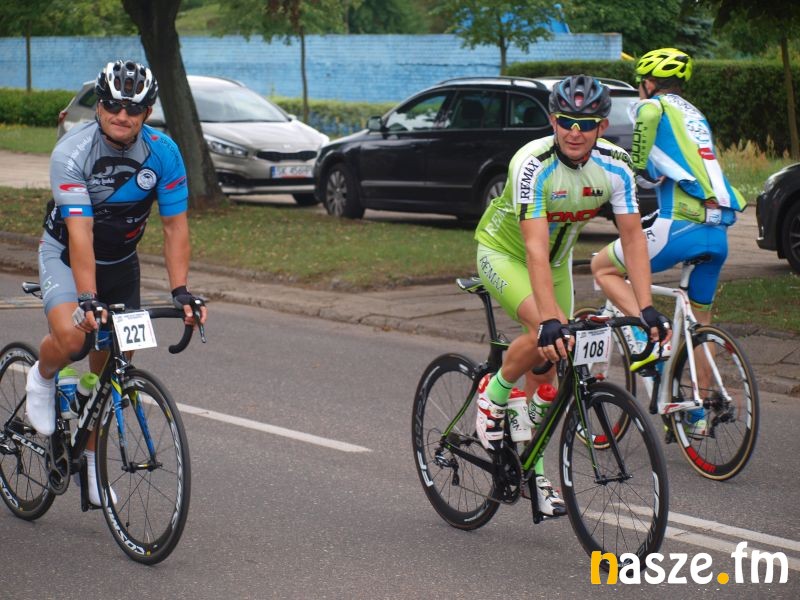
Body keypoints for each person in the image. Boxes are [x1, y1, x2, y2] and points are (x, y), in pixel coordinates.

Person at [473, 75, 670, 516]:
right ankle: (495, 391)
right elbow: (534, 248)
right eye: (565, 121)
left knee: (549, 368)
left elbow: (633, 239)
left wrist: (645, 308)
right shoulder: (532, 163)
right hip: (505, 253)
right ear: (552, 121)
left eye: (585, 123)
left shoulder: (616, 165)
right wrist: (548, 319)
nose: (574, 132)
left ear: (602, 126)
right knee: (542, 331)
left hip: (557, 262)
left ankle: (534, 473)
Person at [25, 59, 208, 506]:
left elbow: (175, 226)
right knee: (74, 340)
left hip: (122, 263)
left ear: (148, 112)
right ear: (99, 106)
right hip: (66, 255)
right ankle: (42, 377)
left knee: (114, 371)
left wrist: (181, 291)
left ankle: (91, 463)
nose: (121, 116)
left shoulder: (163, 153)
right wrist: (87, 299)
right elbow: (80, 231)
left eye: (133, 108)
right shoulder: (73, 151)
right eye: (112, 105)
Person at [590, 48, 745, 432]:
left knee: (603, 267)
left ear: (648, 83)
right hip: (717, 231)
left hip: (679, 226)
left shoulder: (652, 106)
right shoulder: (695, 115)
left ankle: (650, 338)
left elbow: (637, 159)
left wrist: (624, 173)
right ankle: (698, 412)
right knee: (700, 322)